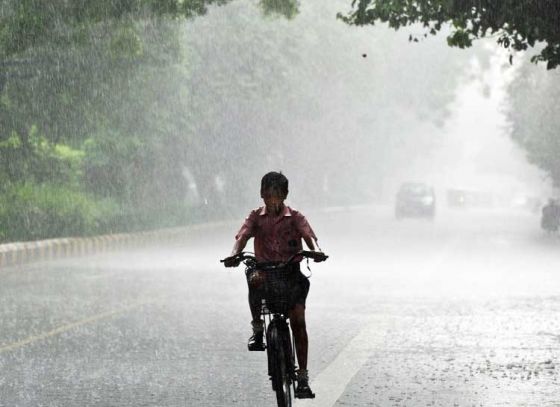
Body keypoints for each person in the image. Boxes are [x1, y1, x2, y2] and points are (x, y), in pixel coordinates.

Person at [223, 171, 323, 399]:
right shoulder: (256, 217)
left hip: (291, 273)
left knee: (298, 321)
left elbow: (310, 238)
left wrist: (316, 252)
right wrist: (233, 256)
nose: (273, 201)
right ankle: (258, 329)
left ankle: (303, 377)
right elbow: (241, 238)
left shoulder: (296, 217)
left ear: (286, 195)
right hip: (266, 273)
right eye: (269, 196)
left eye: (278, 196)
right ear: (262, 195)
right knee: (253, 278)